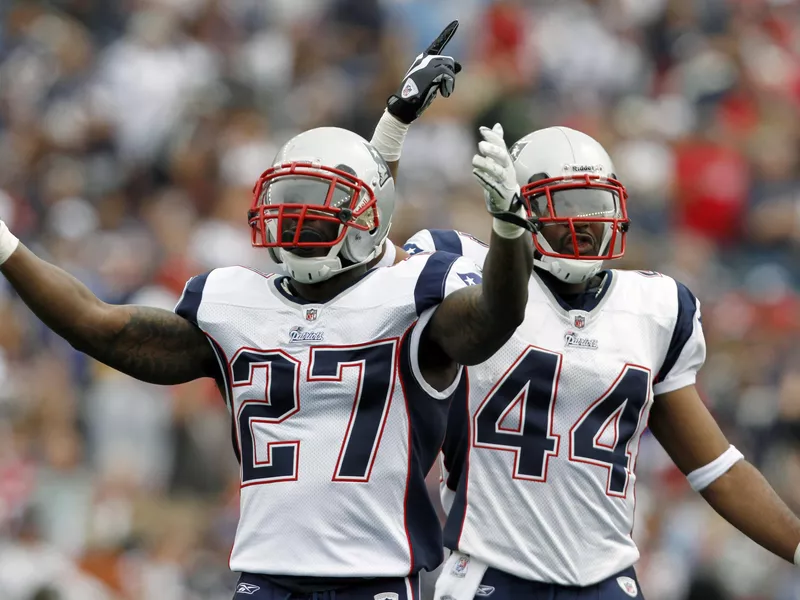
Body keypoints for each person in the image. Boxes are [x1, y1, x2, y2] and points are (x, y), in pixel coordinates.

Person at [0, 60, 537, 600]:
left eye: (317, 209)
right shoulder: (236, 304)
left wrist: (509, 227)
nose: (297, 219)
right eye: (289, 203)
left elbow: (497, 312)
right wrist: (5, 244)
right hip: (265, 580)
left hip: (375, 578)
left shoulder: (412, 296)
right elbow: (98, 325)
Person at [401, 126, 800, 600]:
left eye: (597, 202)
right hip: (491, 575)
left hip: (608, 580)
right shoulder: (467, 278)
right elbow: (372, 268)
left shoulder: (652, 307)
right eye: (566, 204)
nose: (587, 222)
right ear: (519, 206)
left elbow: (717, 468)